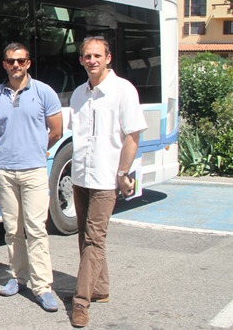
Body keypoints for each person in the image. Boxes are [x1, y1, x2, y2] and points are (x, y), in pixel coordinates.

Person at [68, 36, 147, 327]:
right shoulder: (78, 94)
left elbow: (132, 136)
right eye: (87, 56)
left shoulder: (123, 90)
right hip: (80, 177)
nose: (92, 61)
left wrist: (123, 173)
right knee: (83, 237)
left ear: (108, 58)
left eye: (97, 56)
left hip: (105, 179)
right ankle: (99, 289)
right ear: (81, 60)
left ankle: (81, 302)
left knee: (94, 239)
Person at [0, 42, 63, 312]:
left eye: (20, 61)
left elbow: (56, 131)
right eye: (10, 61)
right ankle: (17, 277)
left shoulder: (44, 92)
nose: (15, 65)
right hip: (4, 170)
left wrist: (37, 150)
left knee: (36, 229)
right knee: (12, 229)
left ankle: (42, 287)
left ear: (28, 63)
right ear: (4, 64)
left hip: (33, 171)